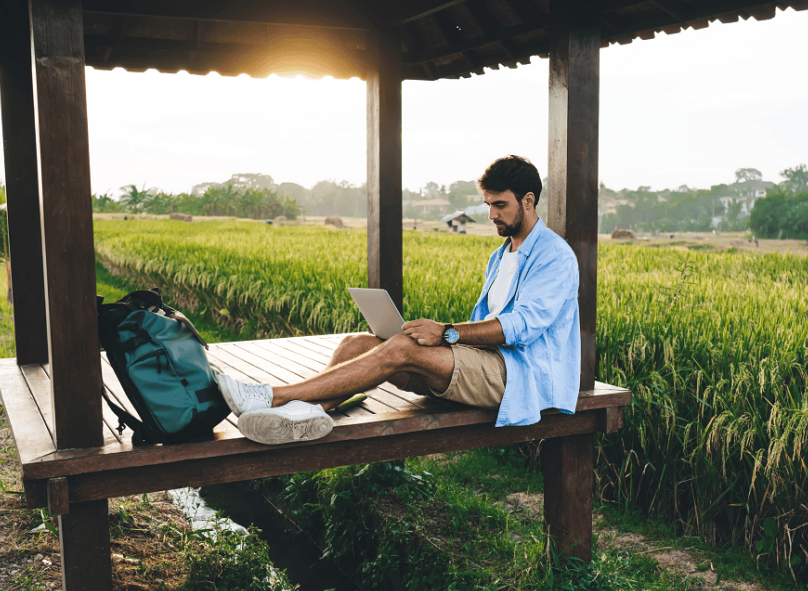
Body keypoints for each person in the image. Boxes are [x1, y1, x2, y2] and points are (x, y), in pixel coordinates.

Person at [217, 155, 581, 444]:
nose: (491, 215)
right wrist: (441, 337)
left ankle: (273, 397)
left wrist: (447, 333)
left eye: (499, 205)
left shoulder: (554, 255)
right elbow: (490, 320)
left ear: (529, 200)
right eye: (488, 204)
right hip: (486, 364)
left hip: (519, 377)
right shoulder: (501, 255)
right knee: (355, 343)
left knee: (400, 348)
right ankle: (307, 416)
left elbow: (522, 326)